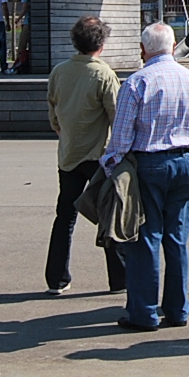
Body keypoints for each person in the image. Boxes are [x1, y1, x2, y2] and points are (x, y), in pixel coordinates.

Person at [101, 22, 189, 331]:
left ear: (143, 49)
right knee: (177, 238)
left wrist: (110, 165)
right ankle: (177, 310)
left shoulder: (137, 82)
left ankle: (144, 312)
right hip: (185, 161)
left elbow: (121, 135)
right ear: (173, 46)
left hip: (149, 162)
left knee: (145, 238)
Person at [44, 16, 127, 295]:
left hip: (68, 155)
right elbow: (117, 118)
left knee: (64, 216)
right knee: (108, 216)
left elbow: (53, 114)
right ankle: (119, 278)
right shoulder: (104, 74)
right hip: (98, 156)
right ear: (101, 43)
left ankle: (56, 278)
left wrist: (65, 134)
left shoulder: (59, 72)